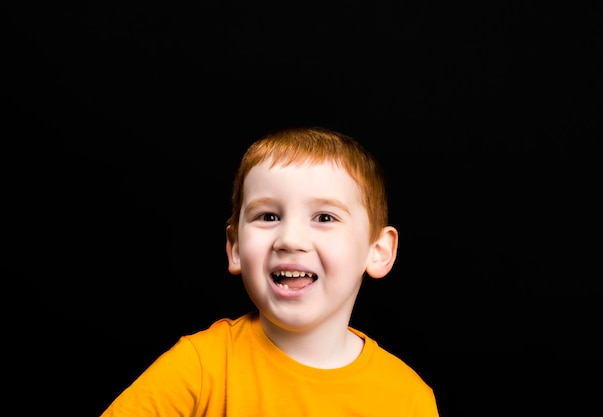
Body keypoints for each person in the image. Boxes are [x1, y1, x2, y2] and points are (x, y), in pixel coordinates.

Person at [99, 126, 440, 416]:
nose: (290, 239)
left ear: (378, 252)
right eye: (268, 217)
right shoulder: (203, 367)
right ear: (234, 248)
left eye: (324, 217)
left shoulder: (406, 399)